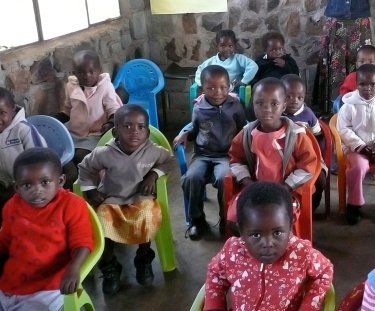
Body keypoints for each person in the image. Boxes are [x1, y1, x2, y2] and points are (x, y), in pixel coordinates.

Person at [78, 105, 172, 294]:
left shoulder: (153, 151)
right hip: (112, 199)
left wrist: (153, 175)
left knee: (148, 216)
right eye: (127, 126)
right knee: (101, 220)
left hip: (141, 198)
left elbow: (169, 161)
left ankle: (143, 258)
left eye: (141, 127)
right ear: (115, 131)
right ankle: (110, 267)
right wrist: (90, 190)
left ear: (147, 130)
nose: (134, 132)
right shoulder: (104, 153)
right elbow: (85, 168)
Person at [204, 181, 334, 311]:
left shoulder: (302, 252)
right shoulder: (232, 251)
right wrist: (214, 306)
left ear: (290, 225)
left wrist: (309, 306)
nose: (268, 244)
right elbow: (215, 274)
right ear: (241, 231)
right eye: (256, 235)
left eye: (277, 233)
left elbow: (324, 272)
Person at [0, 148, 93, 311]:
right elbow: (6, 242)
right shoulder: (11, 207)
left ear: (61, 181)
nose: (37, 190)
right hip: (13, 280)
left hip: (51, 284)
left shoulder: (71, 205)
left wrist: (74, 268)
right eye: (27, 184)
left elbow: (83, 242)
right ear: (17, 187)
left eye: (45, 182)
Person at [227, 77, 320, 232]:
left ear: (284, 106)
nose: (267, 108)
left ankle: (275, 252)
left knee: (277, 225)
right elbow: (236, 159)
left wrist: (286, 186)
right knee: (234, 221)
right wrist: (246, 182)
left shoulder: (296, 135)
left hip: (285, 192)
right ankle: (250, 254)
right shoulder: (246, 134)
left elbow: (308, 165)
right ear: (253, 105)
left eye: (274, 104)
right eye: (260, 103)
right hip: (253, 189)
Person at [174, 65, 246, 240]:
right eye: (211, 88)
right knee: (191, 178)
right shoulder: (199, 107)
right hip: (203, 155)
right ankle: (197, 219)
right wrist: (185, 133)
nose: (217, 92)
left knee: (225, 179)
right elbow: (194, 128)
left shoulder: (235, 105)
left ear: (230, 86)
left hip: (226, 156)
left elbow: (244, 128)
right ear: (202, 88)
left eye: (222, 87)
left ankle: (225, 219)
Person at [337, 64, 375, 225]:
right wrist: (360, 146)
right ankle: (354, 203)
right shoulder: (348, 106)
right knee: (358, 167)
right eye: (362, 84)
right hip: (356, 148)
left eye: (373, 84)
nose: (368, 88)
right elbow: (343, 130)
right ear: (356, 85)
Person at [54, 50, 123, 189]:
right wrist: (57, 118)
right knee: (60, 155)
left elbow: (113, 109)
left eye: (92, 71)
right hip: (75, 133)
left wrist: (110, 123)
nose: (87, 76)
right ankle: (73, 185)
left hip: (96, 134)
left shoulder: (105, 86)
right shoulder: (71, 86)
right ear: (74, 72)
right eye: (81, 72)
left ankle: (91, 188)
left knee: (81, 156)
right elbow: (68, 109)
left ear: (99, 70)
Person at [313, 0, 372, 113]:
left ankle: (361, 109)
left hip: (360, 19)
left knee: (362, 64)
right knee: (334, 66)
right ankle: (333, 109)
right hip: (335, 18)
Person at [281, 74, 327, 211]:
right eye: (289, 96)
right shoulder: (277, 113)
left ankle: (312, 206)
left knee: (320, 178)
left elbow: (318, 134)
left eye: (299, 97)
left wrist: (319, 156)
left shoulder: (308, 114)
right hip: (283, 158)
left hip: (308, 156)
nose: (294, 101)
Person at [0, 87, 46, 222]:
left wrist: (22, 186)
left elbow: (41, 161)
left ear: (13, 110)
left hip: (27, 185)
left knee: (19, 217)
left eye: (2, 113)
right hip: (4, 185)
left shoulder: (23, 131)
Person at [337, 45, 375, 111]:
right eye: (362, 61)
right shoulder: (351, 78)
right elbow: (344, 93)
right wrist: (354, 101)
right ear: (356, 64)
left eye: (371, 62)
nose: (366, 64)